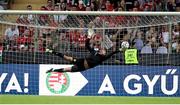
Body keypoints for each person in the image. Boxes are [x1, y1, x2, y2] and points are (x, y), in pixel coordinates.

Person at [46, 34, 123, 73]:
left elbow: (112, 53)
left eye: (105, 51)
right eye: (103, 50)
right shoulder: (94, 52)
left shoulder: (103, 58)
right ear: (100, 51)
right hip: (82, 62)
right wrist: (89, 37)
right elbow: (87, 45)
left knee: (66, 70)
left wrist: (119, 49)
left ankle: (52, 71)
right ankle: (51, 51)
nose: (104, 51)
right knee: (66, 57)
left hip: (83, 68)